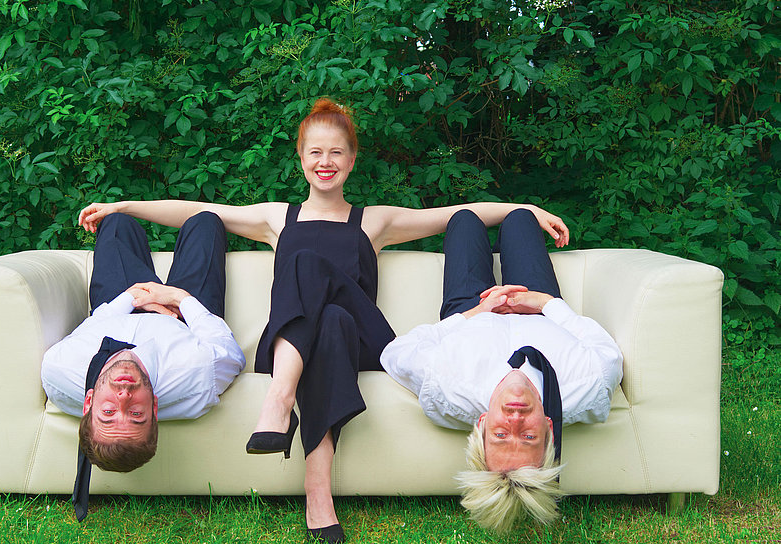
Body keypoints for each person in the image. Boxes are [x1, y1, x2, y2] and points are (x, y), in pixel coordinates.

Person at [77, 98, 570, 542]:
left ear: (352, 161)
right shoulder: (277, 218)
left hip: (367, 342)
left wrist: (524, 209)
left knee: (311, 271)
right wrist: (124, 206)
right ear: (301, 159)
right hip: (296, 338)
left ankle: (279, 398)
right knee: (327, 315)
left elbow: (455, 214)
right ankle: (318, 490)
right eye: (315, 152)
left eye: (336, 153)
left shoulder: (373, 221)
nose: (325, 162)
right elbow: (199, 211)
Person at [380, 208, 623, 531]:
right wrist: (545, 304)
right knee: (521, 219)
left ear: (481, 424)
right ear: (549, 426)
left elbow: (395, 353)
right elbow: (605, 351)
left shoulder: (447, 388)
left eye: (499, 434)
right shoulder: (586, 385)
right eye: (528, 435)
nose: (515, 418)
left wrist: (475, 313)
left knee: (464, 221)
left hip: (471, 307)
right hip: (537, 308)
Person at [41, 211, 245, 522]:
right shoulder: (195, 373)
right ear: (155, 408)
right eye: (135, 414)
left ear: (89, 401)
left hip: (119, 309)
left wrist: (134, 298)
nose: (123, 396)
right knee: (205, 223)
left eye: (108, 413)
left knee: (117, 224)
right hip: (183, 320)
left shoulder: (60, 370)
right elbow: (226, 347)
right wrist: (177, 299)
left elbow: (90, 331)